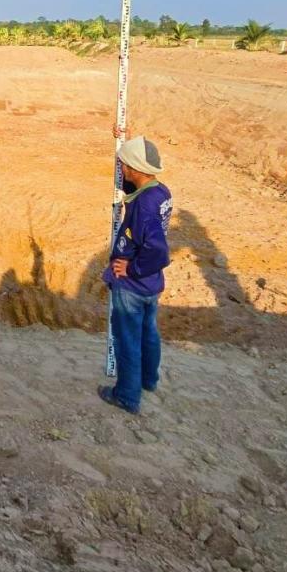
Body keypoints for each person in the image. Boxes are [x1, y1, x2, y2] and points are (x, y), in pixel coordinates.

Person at [98, 133, 172, 415]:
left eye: (125, 165)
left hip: (132, 284)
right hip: (151, 285)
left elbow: (158, 251)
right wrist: (123, 137)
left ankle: (127, 396)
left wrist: (131, 268)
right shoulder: (160, 192)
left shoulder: (144, 206)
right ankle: (148, 380)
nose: (122, 170)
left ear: (136, 169)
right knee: (148, 333)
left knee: (127, 338)